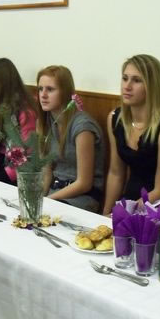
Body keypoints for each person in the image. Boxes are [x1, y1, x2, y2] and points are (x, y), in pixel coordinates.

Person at [102, 55, 160, 215]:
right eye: (125, 78)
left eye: (137, 80)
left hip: (158, 209)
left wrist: (129, 213)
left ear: (152, 86)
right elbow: (116, 173)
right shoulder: (115, 118)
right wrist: (106, 214)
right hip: (129, 201)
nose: (127, 86)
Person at [36, 65, 105, 212]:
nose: (43, 95)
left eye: (50, 89)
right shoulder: (45, 122)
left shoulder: (82, 126)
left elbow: (84, 183)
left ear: (65, 92)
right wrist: (37, 200)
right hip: (56, 192)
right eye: (40, 89)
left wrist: (47, 201)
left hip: (82, 197)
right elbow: (46, 172)